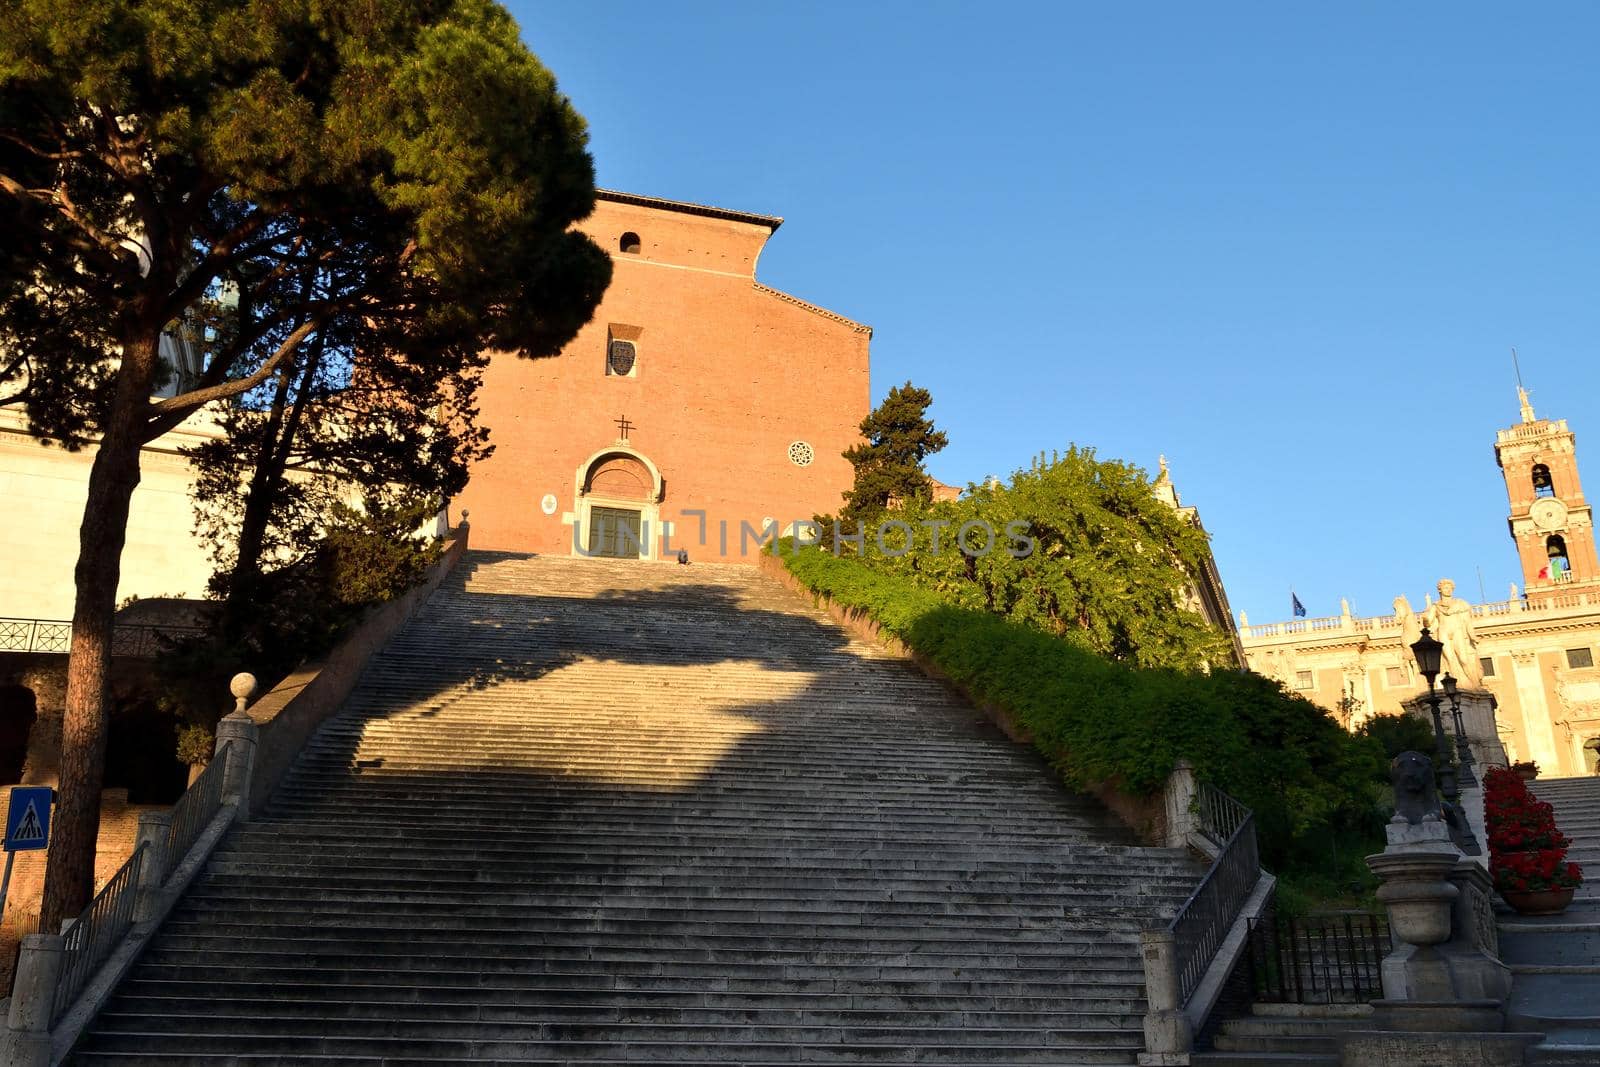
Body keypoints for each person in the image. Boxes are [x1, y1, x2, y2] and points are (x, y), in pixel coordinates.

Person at [1423, 578, 1483, 688]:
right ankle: (1457, 685)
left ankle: (1475, 684)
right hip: (1443, 632)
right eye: (1445, 588)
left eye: (1450, 588)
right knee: (1450, 660)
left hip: (1457, 631)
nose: (1448, 590)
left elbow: (1467, 621)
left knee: (1464, 659)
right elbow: (1428, 622)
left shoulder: (1460, 604)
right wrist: (1426, 618)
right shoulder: (1436, 606)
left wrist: (1472, 635)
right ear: (1440, 590)